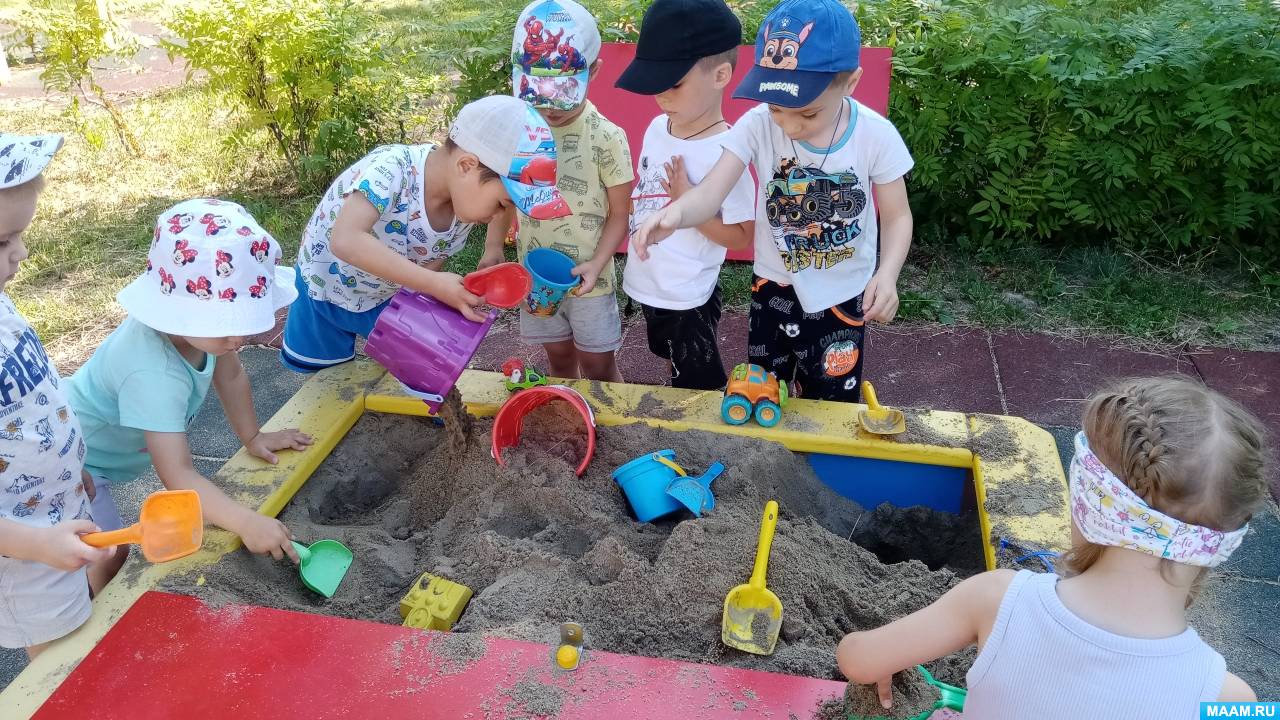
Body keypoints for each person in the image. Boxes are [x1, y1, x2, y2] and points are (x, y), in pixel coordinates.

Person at [836, 376, 1269, 716]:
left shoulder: (998, 599)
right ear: (1225, 542)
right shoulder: (1231, 699)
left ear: (1085, 502)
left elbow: (857, 661)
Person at [631, 0, 914, 403]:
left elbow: (897, 215)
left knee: (833, 399)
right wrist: (674, 214)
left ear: (850, 82)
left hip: (842, 292)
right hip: (772, 288)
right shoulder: (759, 123)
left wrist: (887, 275)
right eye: (779, 107)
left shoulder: (876, 136)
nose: (790, 125)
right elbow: (711, 190)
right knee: (761, 391)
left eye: (810, 113)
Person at [67, 199, 312, 575]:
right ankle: (98, 629)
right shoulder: (153, 375)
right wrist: (246, 522)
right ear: (178, 312)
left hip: (107, 447)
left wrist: (253, 436)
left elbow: (229, 375)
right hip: (76, 458)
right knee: (105, 552)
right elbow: (177, 475)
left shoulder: (206, 336)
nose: (239, 337)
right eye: (226, 324)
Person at [281, 95, 571, 373]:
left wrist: (491, 247)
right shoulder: (392, 171)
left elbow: (429, 257)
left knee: (420, 369)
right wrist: (433, 283)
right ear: (466, 166)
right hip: (323, 286)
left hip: (383, 293)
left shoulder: (464, 204)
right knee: (325, 383)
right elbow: (346, 240)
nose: (497, 215)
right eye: (500, 204)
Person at [0, 134, 113, 659]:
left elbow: (34, 399)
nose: (19, 254)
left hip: (53, 509)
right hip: (21, 553)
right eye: (2, 243)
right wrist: (38, 545)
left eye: (18, 236)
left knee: (78, 633)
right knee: (57, 663)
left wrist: (72, 465)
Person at [485, 0, 634, 382]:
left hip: (591, 281)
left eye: (562, 92)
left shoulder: (607, 137)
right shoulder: (520, 130)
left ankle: (612, 433)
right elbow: (505, 195)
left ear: (594, 70)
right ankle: (570, 422)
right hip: (536, 276)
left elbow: (620, 212)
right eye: (537, 92)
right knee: (560, 362)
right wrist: (492, 249)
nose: (550, 108)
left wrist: (599, 262)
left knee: (599, 367)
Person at [615, 0, 756, 391]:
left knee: (700, 384)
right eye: (655, 82)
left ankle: (704, 434)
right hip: (650, 281)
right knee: (672, 360)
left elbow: (743, 235)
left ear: (721, 75)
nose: (661, 95)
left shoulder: (728, 152)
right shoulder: (659, 127)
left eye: (673, 83)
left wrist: (688, 202)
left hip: (688, 296)